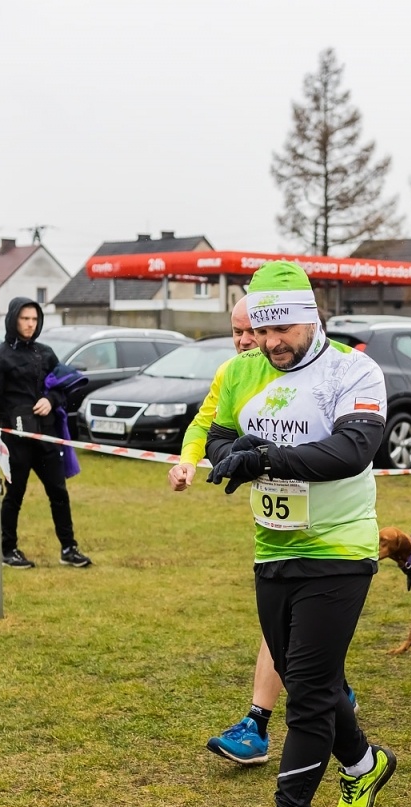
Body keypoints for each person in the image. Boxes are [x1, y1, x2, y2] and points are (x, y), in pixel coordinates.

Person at [201, 261, 395, 807]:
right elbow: (219, 435)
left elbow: (352, 447)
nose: (271, 342)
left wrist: (263, 458)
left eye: (282, 327)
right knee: (304, 673)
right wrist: (231, 454)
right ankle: (364, 766)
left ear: (311, 317)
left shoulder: (353, 369)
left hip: (339, 550)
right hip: (273, 546)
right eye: (261, 331)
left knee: (306, 693)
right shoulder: (245, 371)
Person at [174, 298, 289, 766]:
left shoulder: (306, 368)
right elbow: (207, 424)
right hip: (274, 519)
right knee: (288, 626)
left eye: (251, 331)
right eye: (236, 331)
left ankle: (257, 725)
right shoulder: (233, 372)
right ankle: (327, 683)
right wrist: (188, 459)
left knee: (284, 625)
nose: (244, 341)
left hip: (330, 524)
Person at [0, 297, 92, 570]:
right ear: (13, 319)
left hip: (46, 436)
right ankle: (8, 550)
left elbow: (63, 387)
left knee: (58, 492)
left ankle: (69, 548)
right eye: (24, 319)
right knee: (14, 495)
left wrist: (51, 400)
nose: (30, 324)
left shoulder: (46, 353)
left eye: (34, 319)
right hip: (16, 438)